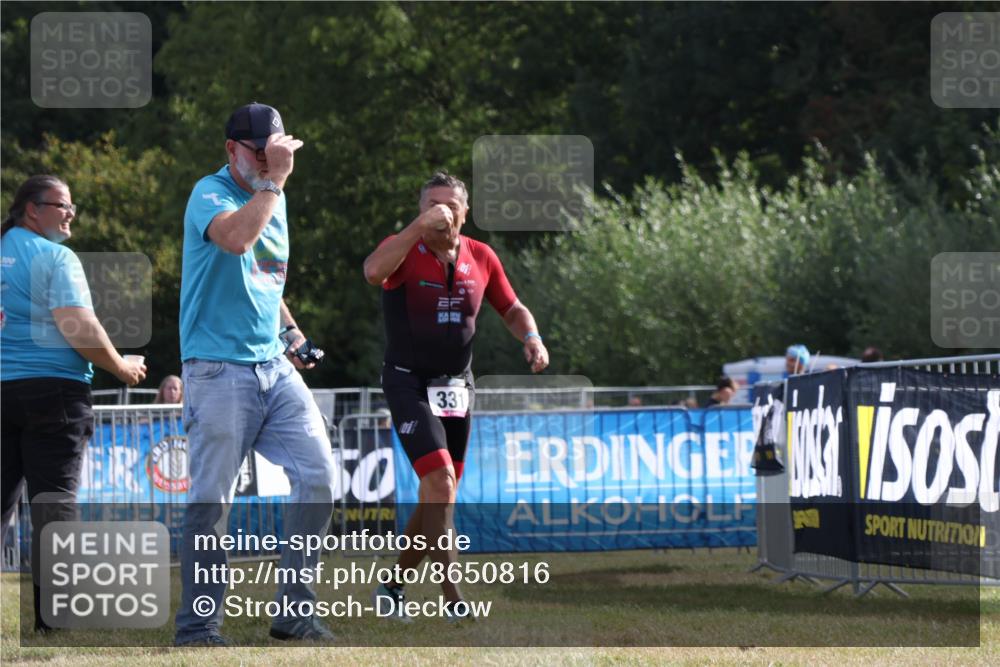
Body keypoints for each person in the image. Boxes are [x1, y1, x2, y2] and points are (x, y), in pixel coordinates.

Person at [174, 103, 336, 646]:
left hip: (272, 364)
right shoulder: (211, 193)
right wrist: (276, 181)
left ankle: (294, 613)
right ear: (231, 151)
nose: (269, 165)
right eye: (260, 156)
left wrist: (294, 336)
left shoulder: (272, 197)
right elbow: (237, 240)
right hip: (217, 370)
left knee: (319, 478)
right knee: (211, 502)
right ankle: (198, 628)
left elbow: (265, 276)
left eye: (276, 154)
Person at [363, 172, 549, 622]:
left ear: (466, 212)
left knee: (438, 496)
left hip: (457, 387)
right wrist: (416, 228)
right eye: (433, 204)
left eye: (450, 204)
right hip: (408, 382)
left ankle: (391, 587)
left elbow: (511, 306)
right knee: (441, 483)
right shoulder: (405, 248)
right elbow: (372, 271)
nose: (443, 212)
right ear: (421, 208)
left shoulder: (481, 256)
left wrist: (532, 336)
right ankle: (454, 598)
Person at [0, 175, 146, 633]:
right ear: (31, 209)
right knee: (54, 505)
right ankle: (53, 618)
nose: (70, 214)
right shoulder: (54, 257)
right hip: (54, 394)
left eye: (72, 206)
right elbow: (78, 326)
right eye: (60, 205)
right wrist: (121, 367)